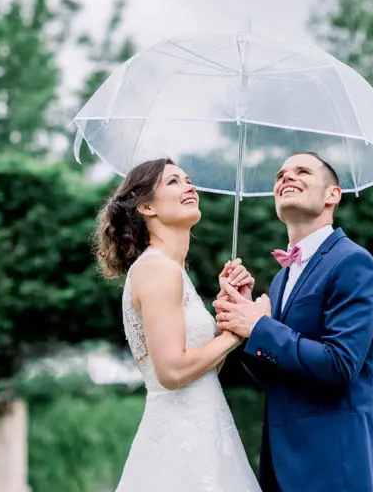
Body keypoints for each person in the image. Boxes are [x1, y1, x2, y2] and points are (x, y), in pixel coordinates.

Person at [214, 151, 373, 492]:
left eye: (302, 171)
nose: (286, 178)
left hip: (335, 465)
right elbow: (276, 375)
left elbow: (339, 365)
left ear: (332, 195)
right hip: (283, 465)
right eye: (280, 175)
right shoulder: (281, 280)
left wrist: (260, 328)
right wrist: (244, 324)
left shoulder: (353, 262)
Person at [95, 157, 265, 492]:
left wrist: (233, 309)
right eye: (174, 182)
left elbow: (201, 370)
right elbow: (172, 373)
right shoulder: (158, 269)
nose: (190, 186)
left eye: (188, 179)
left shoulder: (174, 273)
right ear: (146, 206)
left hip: (205, 430)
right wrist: (237, 331)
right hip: (180, 444)